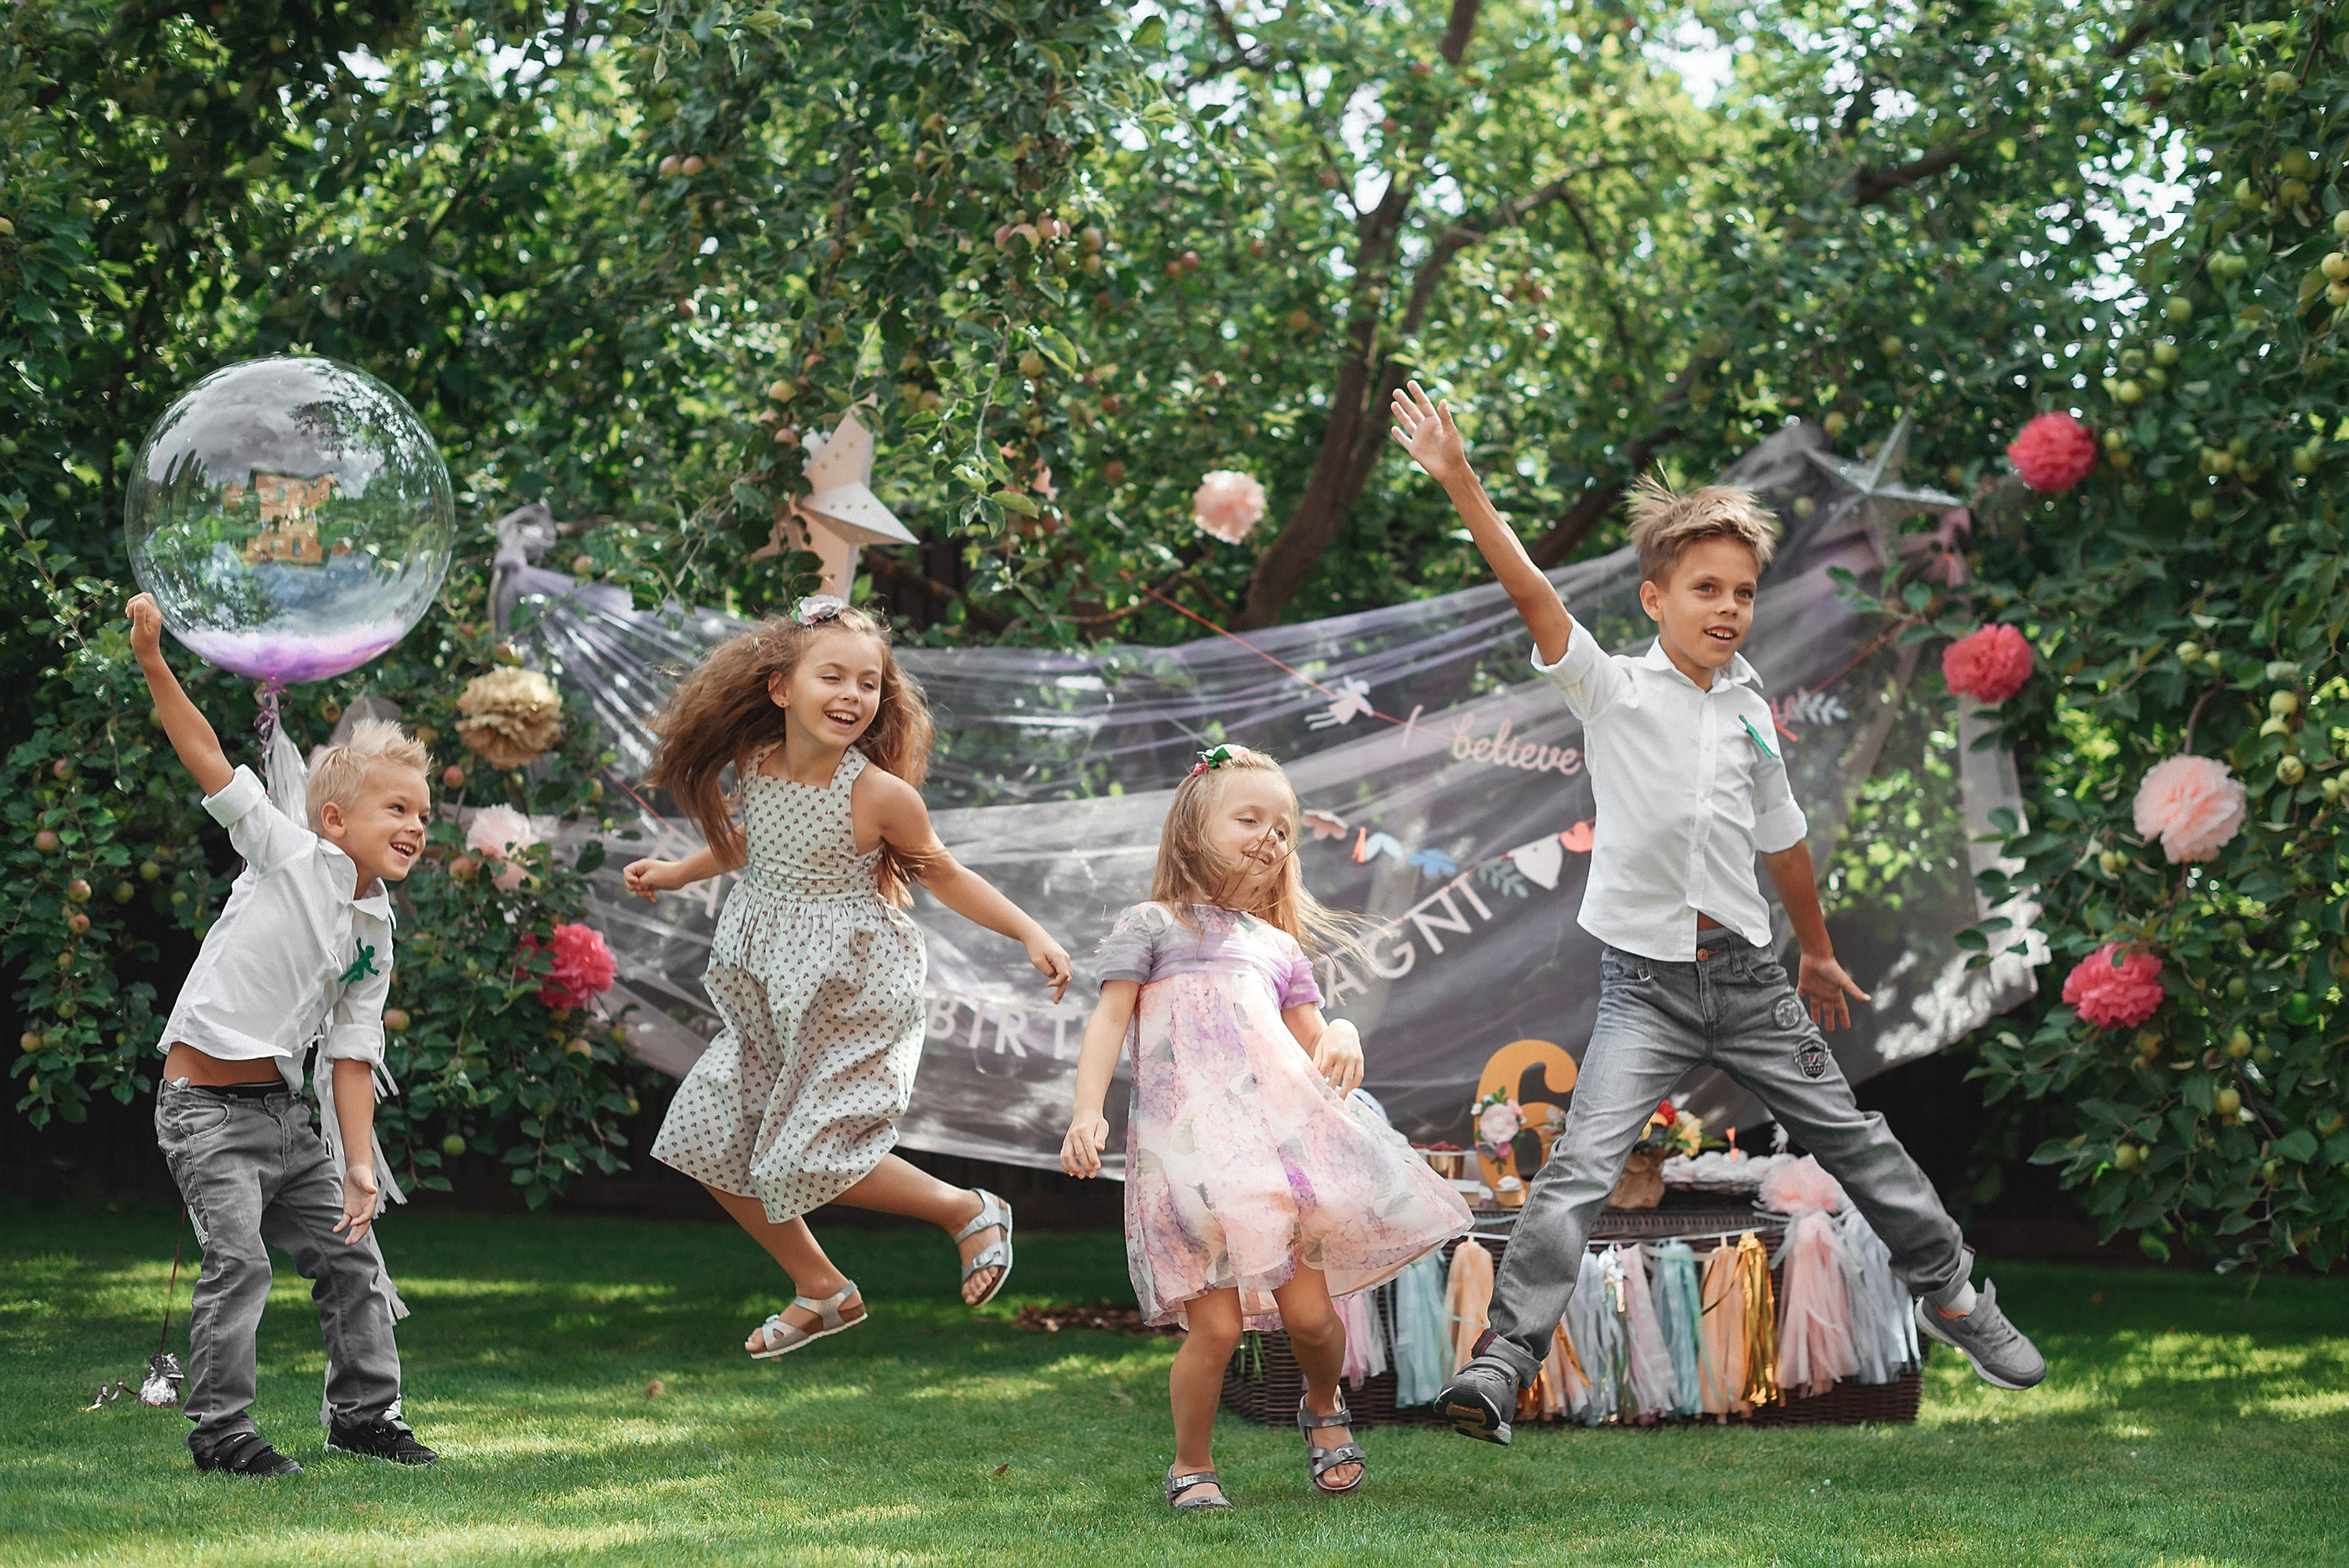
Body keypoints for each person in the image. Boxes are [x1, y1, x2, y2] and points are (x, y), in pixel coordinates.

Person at [1388, 383, 2046, 1444]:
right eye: (1704, 587)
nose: (1727, 606)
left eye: (1741, 590)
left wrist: (1819, 955)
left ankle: (1957, 1293)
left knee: (1859, 1140)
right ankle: (1501, 1363)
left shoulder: (1750, 714)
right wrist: (1460, 479)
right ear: (1655, 599)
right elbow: (1530, 590)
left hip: (1745, 979)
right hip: (1643, 990)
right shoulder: (1610, 690)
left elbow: (1782, 843)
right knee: (1579, 1170)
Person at [625, 595, 1073, 1359]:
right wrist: (674, 871)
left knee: (813, 1149)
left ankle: (967, 1208)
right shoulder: (758, 764)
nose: (852, 695)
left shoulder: (879, 795)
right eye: (832, 676)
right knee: (701, 1134)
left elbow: (947, 875)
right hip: (769, 988)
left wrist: (1027, 929)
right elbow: (746, 841)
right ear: (781, 689)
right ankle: (822, 1288)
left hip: (851, 990)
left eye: (869, 683)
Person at [1060, 744, 1472, 1509]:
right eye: (1248, 818)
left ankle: (1323, 1404)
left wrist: (1341, 1032)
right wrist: (1088, 1110)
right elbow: (1109, 1016)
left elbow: (1313, 1036)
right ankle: (1193, 1463)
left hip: (1273, 1159)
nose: (1270, 836)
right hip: (1183, 1161)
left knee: (1313, 1317)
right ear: (1192, 830)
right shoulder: (1151, 924)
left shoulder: (1279, 947)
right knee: (1212, 1331)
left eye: (1283, 827)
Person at [128, 593, 440, 1476]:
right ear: (335, 819)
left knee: (355, 1260)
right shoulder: (286, 852)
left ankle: (365, 1416)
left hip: (285, 1117)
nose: (416, 825)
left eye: (423, 813)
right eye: (397, 810)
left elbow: (350, 1051)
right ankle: (221, 1432)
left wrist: (357, 1161)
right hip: (206, 1112)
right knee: (240, 1264)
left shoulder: (375, 932)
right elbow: (208, 759)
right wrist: (156, 659)